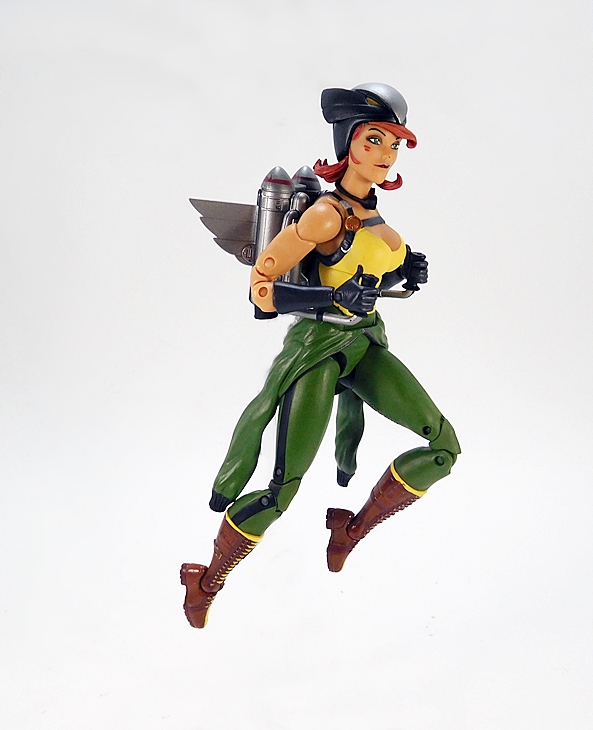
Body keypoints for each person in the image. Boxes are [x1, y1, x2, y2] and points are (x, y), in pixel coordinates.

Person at [181, 83, 461, 628]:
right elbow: (262, 288)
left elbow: (367, 278)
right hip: (318, 350)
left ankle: (350, 530)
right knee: (281, 490)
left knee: (444, 447)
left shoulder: (374, 216)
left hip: (363, 343)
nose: (385, 153)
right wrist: (333, 299)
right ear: (347, 143)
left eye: (393, 144)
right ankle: (206, 580)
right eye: (373, 139)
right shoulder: (326, 216)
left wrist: (405, 272)